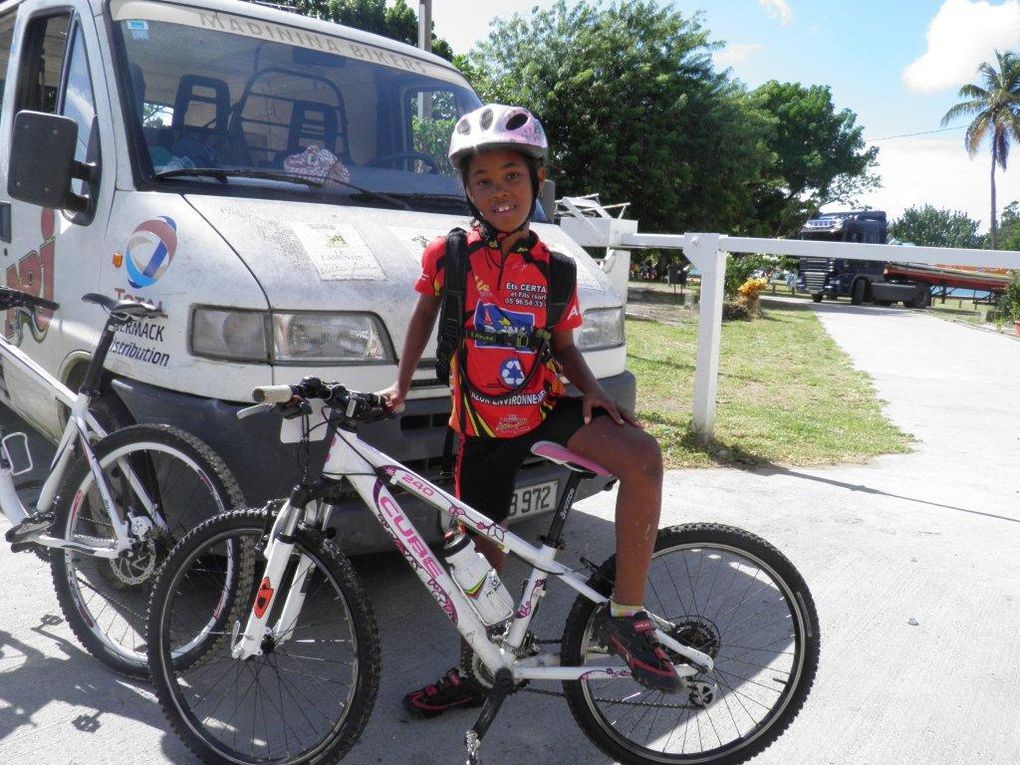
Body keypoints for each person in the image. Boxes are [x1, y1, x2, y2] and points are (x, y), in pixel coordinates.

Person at [379, 104, 677, 717]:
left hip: (543, 411)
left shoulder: (556, 269)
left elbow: (563, 347)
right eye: (482, 180)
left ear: (537, 180)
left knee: (643, 458)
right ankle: (472, 674)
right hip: (480, 433)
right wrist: (400, 385)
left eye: (511, 175)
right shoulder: (449, 255)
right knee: (479, 573)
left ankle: (626, 617)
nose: (498, 191)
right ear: (466, 189)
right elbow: (422, 318)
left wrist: (591, 389)